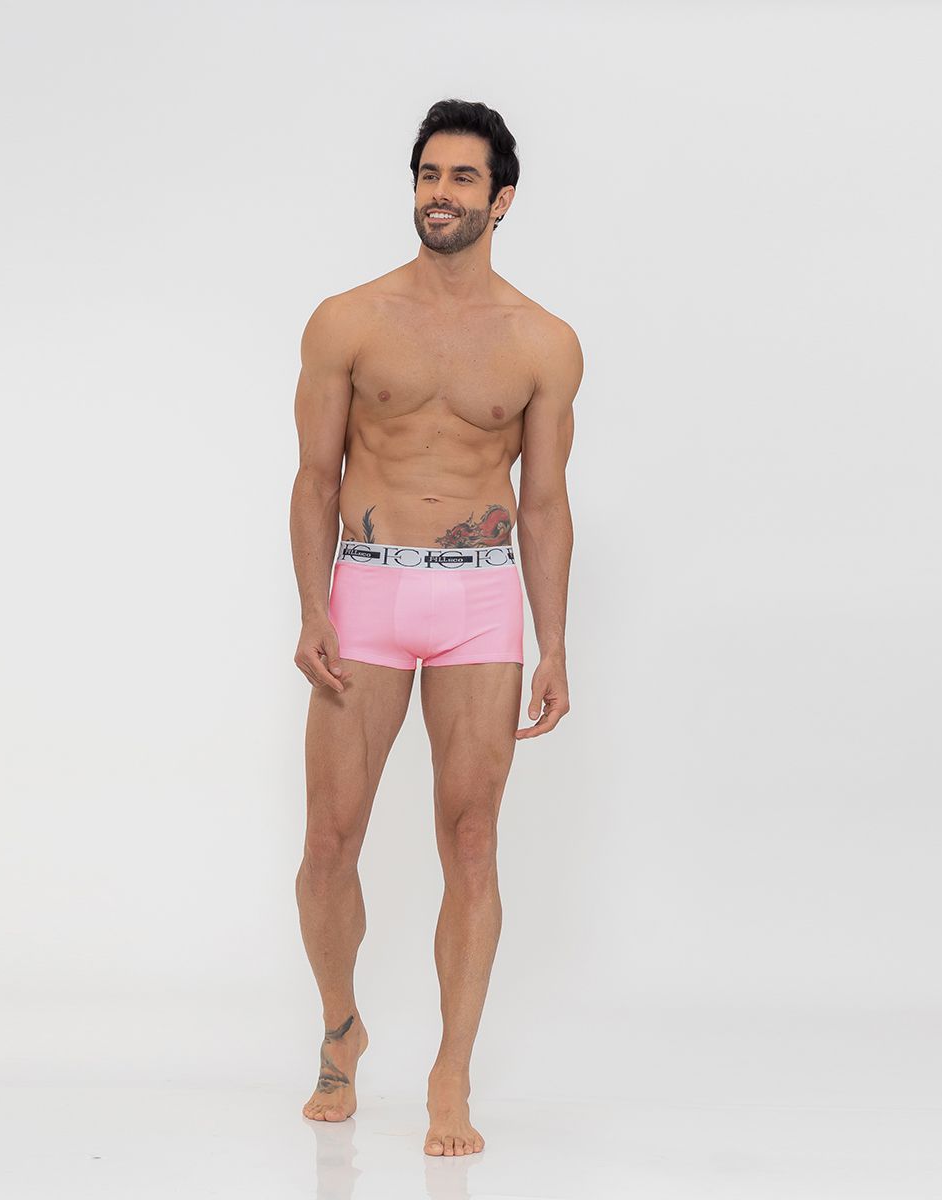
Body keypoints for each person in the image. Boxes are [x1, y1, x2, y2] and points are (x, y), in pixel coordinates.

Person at [288, 98, 582, 1158]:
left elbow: (543, 505)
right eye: (428, 175)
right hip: (367, 589)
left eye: (462, 178)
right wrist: (312, 605)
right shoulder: (348, 321)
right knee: (330, 844)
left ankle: (451, 1071)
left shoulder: (542, 341)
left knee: (472, 838)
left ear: (502, 200)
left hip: (478, 602)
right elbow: (314, 478)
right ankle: (341, 1026)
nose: (440, 194)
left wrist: (554, 643)